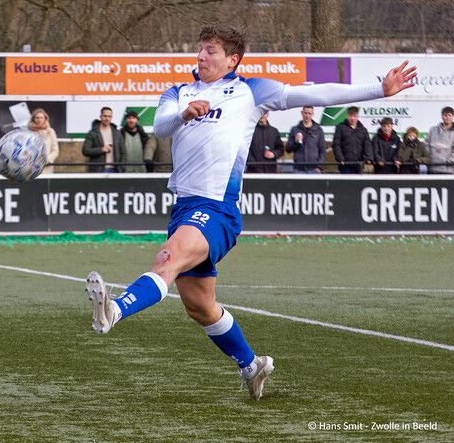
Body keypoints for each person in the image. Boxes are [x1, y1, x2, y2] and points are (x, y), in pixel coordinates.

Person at [85, 24, 416, 400]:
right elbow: (160, 125)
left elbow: (313, 93)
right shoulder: (179, 92)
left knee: (167, 258)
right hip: (183, 208)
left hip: (217, 209)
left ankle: (114, 310)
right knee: (200, 305)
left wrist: (378, 89)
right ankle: (251, 365)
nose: (201, 56)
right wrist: (185, 114)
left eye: (211, 50)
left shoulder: (251, 90)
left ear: (232, 59)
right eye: (200, 49)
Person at [81, 106, 125, 173]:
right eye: (105, 116)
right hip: (98, 170)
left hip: (116, 170)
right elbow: (85, 150)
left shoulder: (117, 133)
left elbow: (124, 152)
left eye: (109, 116)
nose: (107, 118)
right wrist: (101, 150)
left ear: (111, 117)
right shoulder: (92, 133)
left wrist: (121, 167)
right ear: (100, 116)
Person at [332, 106, 373, 174]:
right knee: (346, 184)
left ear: (357, 116)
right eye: (350, 116)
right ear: (347, 116)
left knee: (359, 184)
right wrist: (340, 158)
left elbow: (367, 145)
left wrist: (369, 158)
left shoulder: (363, 129)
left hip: (359, 164)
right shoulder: (340, 128)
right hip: (345, 164)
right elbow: (336, 145)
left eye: (354, 116)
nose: (352, 118)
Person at [285, 106, 326, 173]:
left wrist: (319, 166)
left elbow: (322, 150)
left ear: (313, 114)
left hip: (314, 169)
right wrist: (296, 142)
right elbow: (288, 149)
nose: (307, 116)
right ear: (302, 113)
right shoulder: (295, 129)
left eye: (309, 113)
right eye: (305, 113)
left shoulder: (318, 130)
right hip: (298, 169)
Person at [27, 107, 59, 174]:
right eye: (37, 118)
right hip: (31, 167)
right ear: (33, 119)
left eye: (41, 118)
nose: (39, 120)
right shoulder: (28, 132)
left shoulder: (50, 132)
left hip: (46, 167)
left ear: (45, 118)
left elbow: (55, 150)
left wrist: (47, 160)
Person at [425, 106, 454, 174]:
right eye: (445, 115)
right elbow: (426, 145)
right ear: (442, 116)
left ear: (452, 116)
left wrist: (449, 161)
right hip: (432, 168)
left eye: (449, 115)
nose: (447, 117)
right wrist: (428, 159)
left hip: (448, 169)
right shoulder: (433, 129)